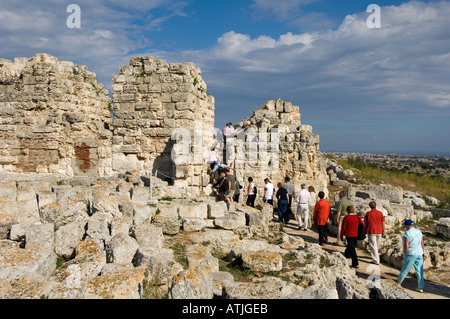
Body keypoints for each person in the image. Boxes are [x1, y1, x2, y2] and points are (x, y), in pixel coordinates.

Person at [397, 219, 425, 292]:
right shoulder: (419, 232)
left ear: (407, 225)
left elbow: (406, 244)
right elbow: (422, 243)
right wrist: (423, 251)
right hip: (419, 252)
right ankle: (420, 287)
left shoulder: (407, 233)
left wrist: (405, 253)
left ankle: (399, 283)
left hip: (411, 253)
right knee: (419, 270)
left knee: (405, 268)